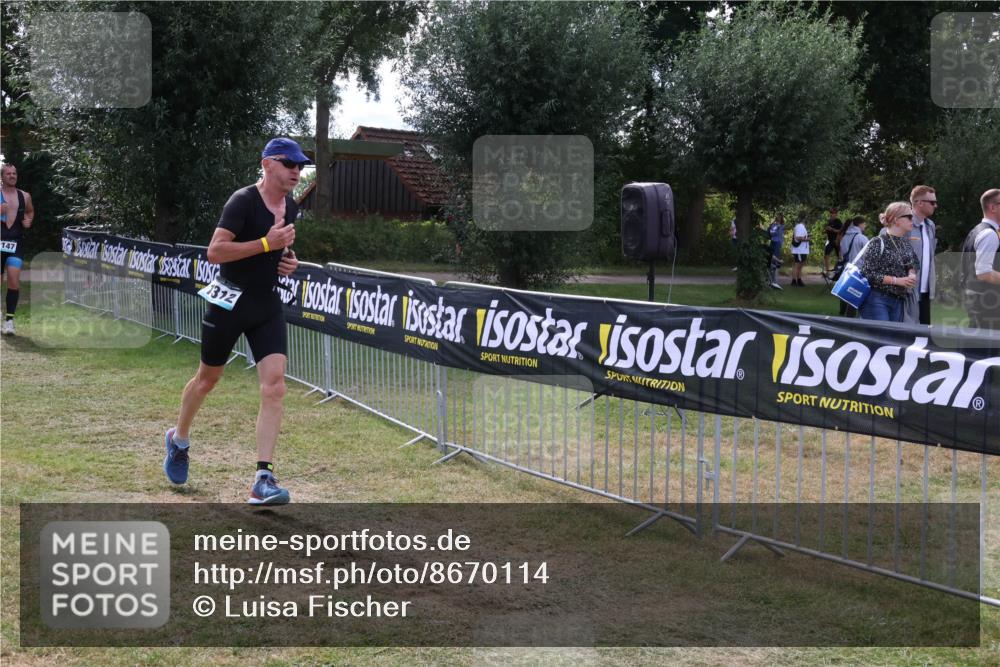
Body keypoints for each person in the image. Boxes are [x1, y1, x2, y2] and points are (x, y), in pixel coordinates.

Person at [164, 137, 307, 504]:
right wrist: (266, 244)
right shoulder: (242, 201)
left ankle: (263, 478)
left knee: (275, 386)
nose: (296, 171)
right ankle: (178, 440)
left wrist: (287, 261)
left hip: (266, 304)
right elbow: (215, 252)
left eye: (300, 165)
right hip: (229, 304)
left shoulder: (291, 207)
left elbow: (280, 251)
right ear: (267, 164)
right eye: (289, 163)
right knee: (207, 380)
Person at [858, 202, 919, 323]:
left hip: (899, 300)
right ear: (896, 220)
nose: (913, 220)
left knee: (892, 335)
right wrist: (897, 281)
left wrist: (911, 274)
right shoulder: (877, 242)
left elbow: (914, 263)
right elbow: (867, 273)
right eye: (909, 217)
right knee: (881, 334)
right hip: (877, 299)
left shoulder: (906, 244)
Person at [1, 163, 35, 335]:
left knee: (14, 282)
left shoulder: (25, 196)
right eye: (8, 173)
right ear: (2, 177)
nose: (12, 176)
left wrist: (28, 220)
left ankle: (9, 321)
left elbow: (30, 211)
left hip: (15, 244)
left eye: (14, 173)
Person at [960, 188, 1000, 330]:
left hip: (980, 302)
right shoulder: (989, 234)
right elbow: (983, 273)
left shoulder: (977, 230)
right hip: (988, 306)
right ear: (993, 207)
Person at [905, 185, 939, 325]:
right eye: (932, 202)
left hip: (926, 291)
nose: (935, 205)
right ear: (919, 203)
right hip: (907, 292)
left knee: (924, 333)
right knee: (906, 333)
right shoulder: (904, 224)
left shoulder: (930, 225)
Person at [837, 216, 869, 318]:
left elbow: (842, 253)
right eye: (864, 224)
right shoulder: (862, 238)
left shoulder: (844, 237)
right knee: (856, 295)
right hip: (859, 270)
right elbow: (869, 255)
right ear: (860, 224)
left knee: (846, 293)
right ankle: (852, 319)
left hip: (847, 269)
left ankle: (843, 314)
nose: (865, 226)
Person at [789, 213, 810, 287]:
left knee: (800, 265)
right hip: (799, 250)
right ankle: (794, 281)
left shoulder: (801, 226)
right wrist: (807, 239)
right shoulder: (800, 226)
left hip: (802, 250)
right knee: (797, 265)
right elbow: (798, 237)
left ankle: (799, 279)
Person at [823, 208, 843, 277]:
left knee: (840, 257)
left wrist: (832, 229)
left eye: (834, 213)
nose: (832, 214)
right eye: (831, 213)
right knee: (826, 255)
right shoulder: (829, 221)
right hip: (830, 241)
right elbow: (826, 231)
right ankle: (827, 272)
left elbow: (841, 231)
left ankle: (840, 271)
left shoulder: (838, 221)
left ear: (836, 214)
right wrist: (825, 231)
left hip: (837, 241)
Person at [767, 213, 785, 289]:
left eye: (780, 217)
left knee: (776, 259)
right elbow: (771, 233)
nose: (778, 218)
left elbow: (776, 233)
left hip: (778, 243)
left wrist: (774, 230)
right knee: (771, 257)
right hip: (773, 242)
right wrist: (774, 228)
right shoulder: (773, 225)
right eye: (777, 217)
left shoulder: (782, 226)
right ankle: (770, 279)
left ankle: (774, 280)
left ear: (781, 218)